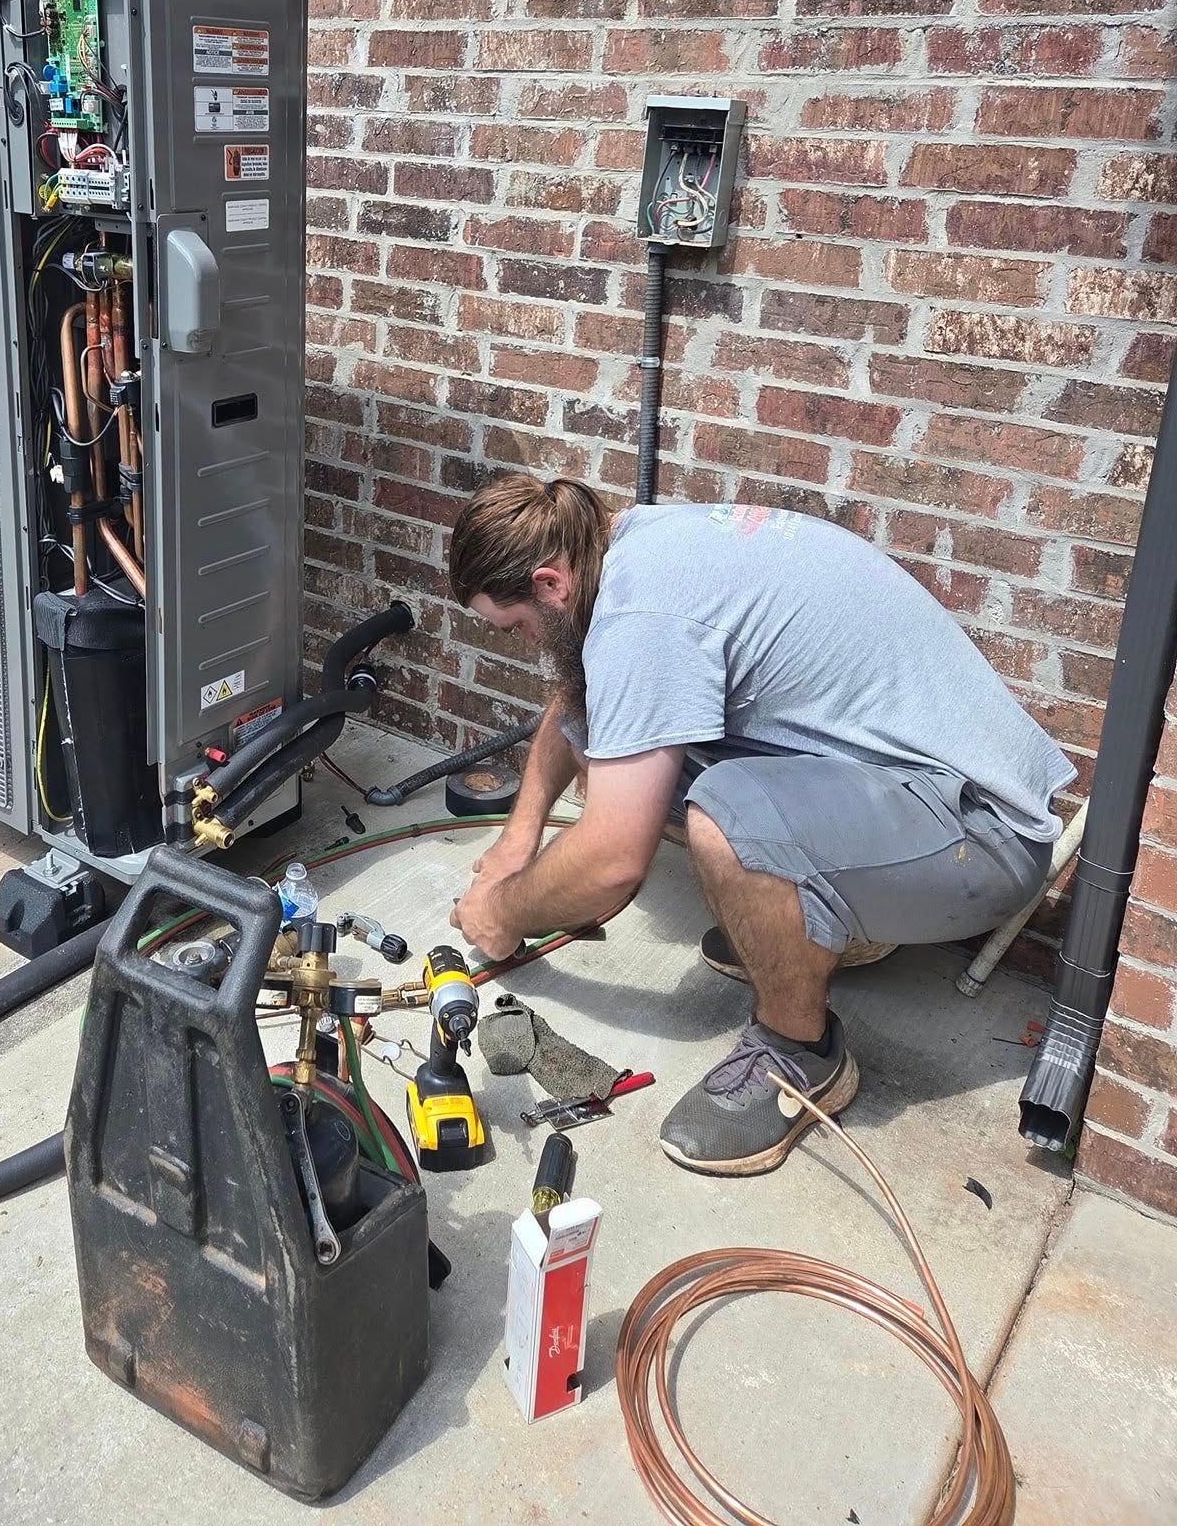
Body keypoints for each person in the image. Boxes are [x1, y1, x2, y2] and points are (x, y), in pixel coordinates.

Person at [446, 474, 1075, 1177]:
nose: (530, 644)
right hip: (908, 782)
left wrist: (503, 911)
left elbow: (612, 863)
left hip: (977, 834)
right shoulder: (627, 547)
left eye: (519, 627)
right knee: (634, 757)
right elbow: (582, 695)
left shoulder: (641, 618)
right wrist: (518, 837)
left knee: (723, 812)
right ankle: (822, 928)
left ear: (549, 585)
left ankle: (799, 1052)